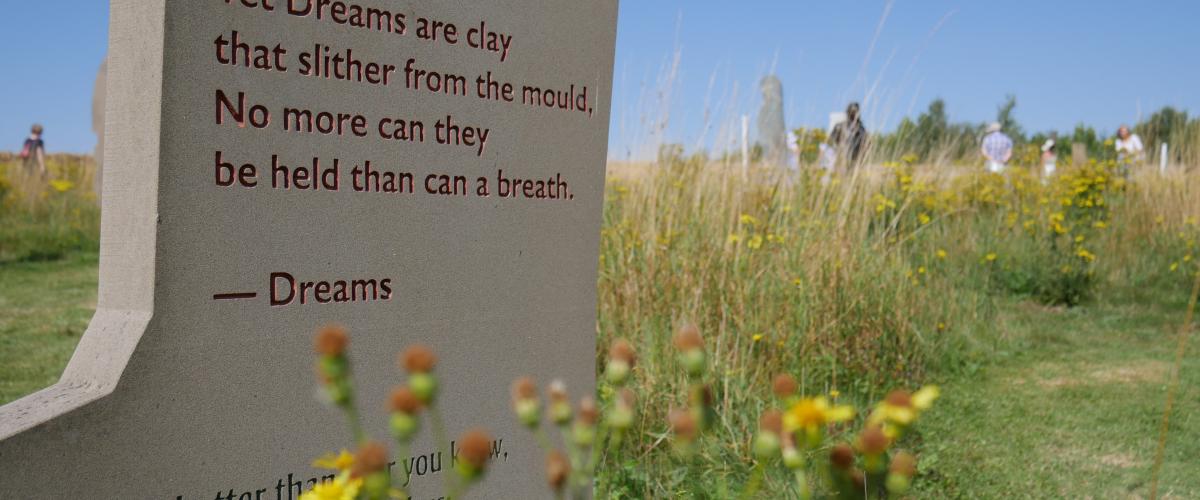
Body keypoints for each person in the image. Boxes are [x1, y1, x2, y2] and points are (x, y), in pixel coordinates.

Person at [828, 102, 867, 169]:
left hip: (855, 160)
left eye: (856, 111)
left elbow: (865, 145)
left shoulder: (861, 129)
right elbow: (832, 141)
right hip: (841, 158)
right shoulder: (839, 126)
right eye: (852, 111)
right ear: (848, 112)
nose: (854, 114)